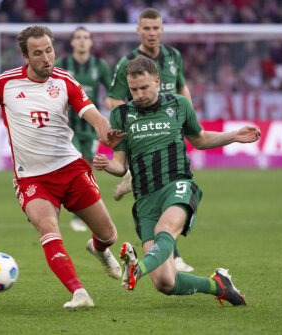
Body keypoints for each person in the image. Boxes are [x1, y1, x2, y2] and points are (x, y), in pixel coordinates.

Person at [0, 26, 125, 309]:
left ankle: (99, 249)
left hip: (70, 169)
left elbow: (94, 115)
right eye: (37, 53)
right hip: (32, 179)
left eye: (49, 50)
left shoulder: (65, 81)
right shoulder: (5, 83)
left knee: (108, 234)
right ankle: (79, 293)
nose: (46, 58)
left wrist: (104, 131)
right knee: (48, 228)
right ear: (25, 56)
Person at [94, 56, 261, 306]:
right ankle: (219, 285)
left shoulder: (179, 104)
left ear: (157, 82)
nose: (138, 94)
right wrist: (107, 165)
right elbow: (121, 166)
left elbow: (200, 139)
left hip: (177, 184)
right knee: (165, 282)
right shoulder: (121, 114)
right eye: (133, 89)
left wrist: (234, 136)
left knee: (166, 229)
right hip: (145, 198)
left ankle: (136, 270)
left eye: (144, 87)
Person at [108, 8, 194, 272]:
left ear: (162, 29)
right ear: (138, 31)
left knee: (168, 185)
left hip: (170, 128)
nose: (152, 33)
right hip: (143, 133)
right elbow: (115, 99)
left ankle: (128, 182)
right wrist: (130, 125)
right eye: (146, 28)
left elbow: (181, 87)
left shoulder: (173, 57)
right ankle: (174, 257)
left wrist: (186, 121)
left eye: (156, 28)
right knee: (158, 189)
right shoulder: (128, 63)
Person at [55, 27, 112, 232]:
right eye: (78, 38)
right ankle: (79, 213)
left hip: (90, 127)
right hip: (68, 126)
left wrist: (108, 99)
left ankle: (82, 210)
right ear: (72, 42)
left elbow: (112, 90)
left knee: (87, 166)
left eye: (85, 38)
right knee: (77, 162)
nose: (81, 41)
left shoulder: (100, 66)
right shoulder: (61, 65)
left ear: (90, 42)